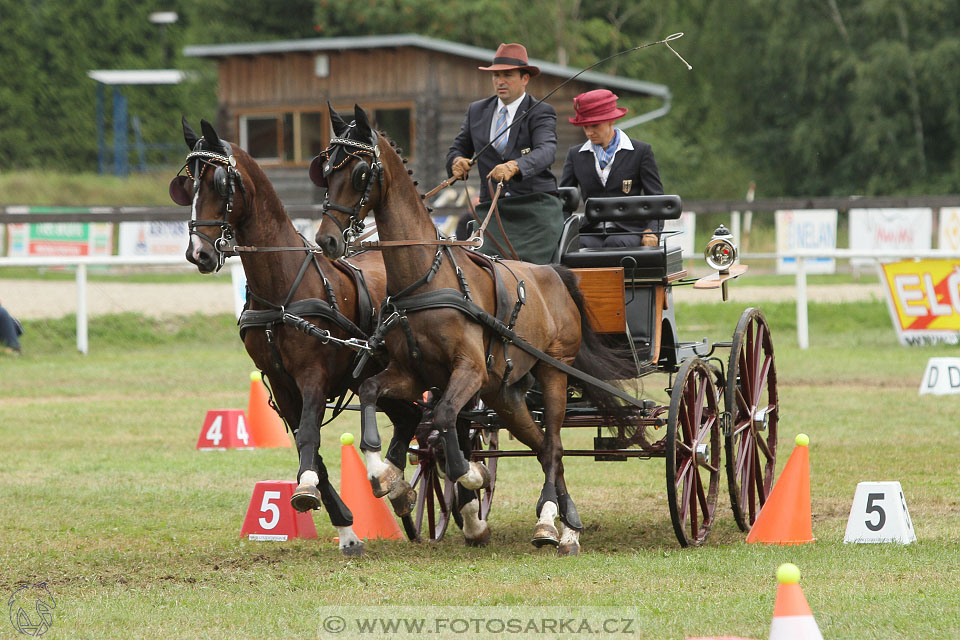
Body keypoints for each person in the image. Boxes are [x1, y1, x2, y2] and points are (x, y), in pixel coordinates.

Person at [446, 43, 564, 264]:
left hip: (535, 209)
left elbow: (546, 151)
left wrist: (514, 166)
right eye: (496, 76)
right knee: (480, 266)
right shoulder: (476, 111)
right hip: (492, 210)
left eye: (507, 75)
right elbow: (458, 147)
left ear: (525, 78)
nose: (500, 81)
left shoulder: (541, 112)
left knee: (526, 269)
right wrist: (456, 161)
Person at [560, 89, 664, 248]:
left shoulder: (640, 152)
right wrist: (561, 229)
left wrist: (652, 231)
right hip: (591, 230)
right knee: (575, 246)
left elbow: (656, 198)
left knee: (616, 242)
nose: (589, 132)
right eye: (584, 127)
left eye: (594, 125)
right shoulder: (575, 155)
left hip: (630, 230)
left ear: (611, 121)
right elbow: (564, 201)